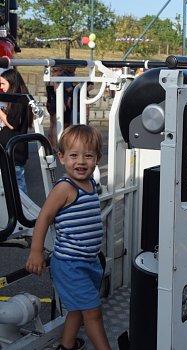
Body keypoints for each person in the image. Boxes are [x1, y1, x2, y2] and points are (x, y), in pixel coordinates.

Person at [26, 124, 111, 350]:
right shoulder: (65, 188)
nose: (81, 162)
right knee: (93, 312)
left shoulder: (90, 183)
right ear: (61, 158)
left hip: (89, 262)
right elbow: (44, 217)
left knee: (77, 309)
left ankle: (66, 345)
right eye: (74, 156)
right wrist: (36, 251)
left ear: (98, 159)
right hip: (70, 265)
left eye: (88, 156)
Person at [0, 68, 33, 194]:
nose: (1, 87)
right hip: (8, 151)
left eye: (3, 84)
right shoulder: (13, 99)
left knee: (19, 189)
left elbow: (12, 124)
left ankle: (22, 212)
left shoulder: (19, 100)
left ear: (12, 83)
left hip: (14, 152)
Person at [46, 66, 64, 152]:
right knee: (55, 125)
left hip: (49, 102)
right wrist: (62, 103)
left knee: (52, 124)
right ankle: (54, 145)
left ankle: (50, 142)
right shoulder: (55, 79)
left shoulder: (49, 79)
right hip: (54, 102)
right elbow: (57, 91)